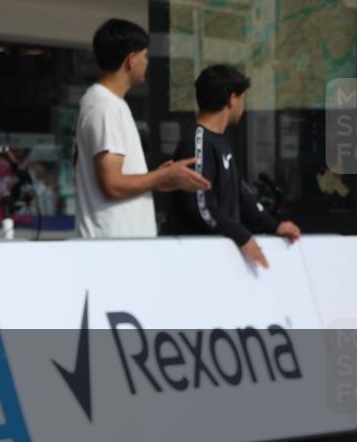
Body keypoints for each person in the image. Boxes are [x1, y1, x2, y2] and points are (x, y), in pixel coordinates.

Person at [75, 19, 210, 238]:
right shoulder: (106, 107)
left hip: (118, 243)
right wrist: (163, 175)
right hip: (113, 244)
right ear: (131, 60)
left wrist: (157, 177)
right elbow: (112, 185)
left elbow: (117, 181)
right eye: (145, 56)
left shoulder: (108, 103)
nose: (147, 62)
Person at [166, 65, 301, 269]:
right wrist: (242, 236)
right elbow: (200, 206)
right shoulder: (197, 142)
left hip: (222, 259)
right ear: (232, 99)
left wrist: (275, 226)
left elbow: (240, 195)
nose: (243, 105)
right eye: (243, 98)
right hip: (199, 261)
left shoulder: (220, 140)